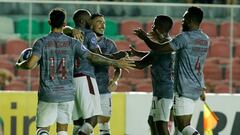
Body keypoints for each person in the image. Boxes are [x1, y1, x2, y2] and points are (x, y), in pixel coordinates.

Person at [15, 8, 134, 135]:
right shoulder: (75, 40)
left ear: (49, 22)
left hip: (53, 90)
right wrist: (115, 61)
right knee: (76, 124)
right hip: (72, 88)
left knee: (48, 128)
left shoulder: (43, 41)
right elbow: (93, 56)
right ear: (65, 23)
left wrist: (19, 65)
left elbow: (30, 64)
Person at [134, 6, 209, 135]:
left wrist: (145, 38)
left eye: (184, 19)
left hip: (183, 88)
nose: (182, 21)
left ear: (190, 20)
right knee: (183, 126)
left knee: (182, 126)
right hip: (195, 88)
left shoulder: (184, 38)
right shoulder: (205, 39)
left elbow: (159, 49)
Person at [131, 15, 174, 135]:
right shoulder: (167, 45)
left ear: (159, 29)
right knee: (152, 121)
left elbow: (141, 64)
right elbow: (153, 55)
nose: (152, 27)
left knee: (161, 124)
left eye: (154, 25)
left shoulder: (163, 46)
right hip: (161, 90)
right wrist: (137, 53)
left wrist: (119, 63)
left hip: (165, 91)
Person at [90, 13, 122, 135]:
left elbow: (118, 66)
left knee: (104, 121)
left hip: (103, 88)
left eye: (104, 22)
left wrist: (115, 81)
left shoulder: (110, 44)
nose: (102, 25)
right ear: (91, 25)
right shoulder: (84, 42)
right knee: (87, 122)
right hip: (88, 89)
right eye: (99, 22)